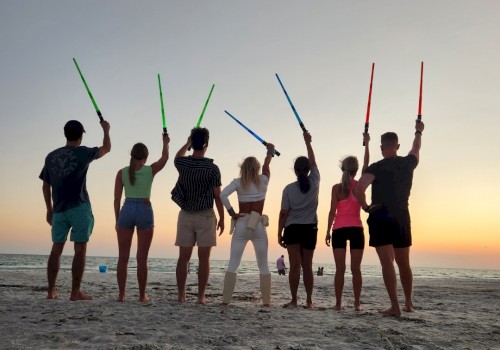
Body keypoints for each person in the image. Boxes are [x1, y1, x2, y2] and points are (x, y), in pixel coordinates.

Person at [354, 121, 425, 316]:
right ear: (397, 146)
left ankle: (395, 306)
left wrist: (366, 207)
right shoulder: (408, 163)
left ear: (381, 147)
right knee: (404, 263)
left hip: (381, 216)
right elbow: (416, 147)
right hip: (401, 215)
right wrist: (418, 131)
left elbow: (358, 189)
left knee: (387, 263)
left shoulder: (376, 167)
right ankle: (408, 304)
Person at [40, 119, 111, 300]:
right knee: (80, 248)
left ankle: (51, 291)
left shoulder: (51, 156)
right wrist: (106, 130)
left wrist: (49, 209)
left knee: (57, 247)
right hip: (79, 206)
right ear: (80, 136)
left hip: (59, 209)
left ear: (65, 134)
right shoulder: (83, 152)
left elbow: (45, 185)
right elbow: (106, 148)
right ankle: (74, 292)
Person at [114, 134, 170, 302]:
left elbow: (116, 199)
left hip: (127, 210)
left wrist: (118, 220)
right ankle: (141, 295)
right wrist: (165, 142)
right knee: (142, 258)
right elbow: (165, 158)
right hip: (145, 209)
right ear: (145, 158)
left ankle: (122, 295)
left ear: (131, 156)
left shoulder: (121, 173)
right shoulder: (149, 170)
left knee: (123, 257)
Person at [171, 127, 224, 304]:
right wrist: (222, 217)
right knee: (204, 259)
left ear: (193, 143)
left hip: (186, 214)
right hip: (205, 215)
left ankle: (181, 295)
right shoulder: (212, 168)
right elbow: (218, 195)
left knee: (183, 258)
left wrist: (187, 143)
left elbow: (177, 157)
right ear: (206, 144)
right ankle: (201, 296)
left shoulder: (184, 164)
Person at [220, 143, 276, 306]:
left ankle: (225, 301)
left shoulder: (238, 182)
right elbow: (267, 165)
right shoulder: (263, 180)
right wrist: (270, 152)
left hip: (242, 224)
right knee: (263, 265)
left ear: (243, 168)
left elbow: (223, 195)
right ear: (257, 168)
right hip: (257, 225)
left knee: (234, 263)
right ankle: (266, 302)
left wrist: (231, 213)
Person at [325, 133, 370, 311]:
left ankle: (338, 303)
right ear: (356, 170)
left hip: (339, 229)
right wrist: (367, 144)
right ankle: (357, 304)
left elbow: (331, 211)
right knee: (356, 269)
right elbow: (367, 165)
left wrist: (328, 231)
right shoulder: (360, 185)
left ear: (342, 168)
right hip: (356, 229)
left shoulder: (336, 188)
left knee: (340, 269)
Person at [278, 132, 319, 308]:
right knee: (307, 266)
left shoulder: (288, 189)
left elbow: (283, 213)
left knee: (295, 266)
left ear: (295, 170)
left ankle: (294, 300)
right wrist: (308, 142)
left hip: (293, 229)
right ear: (309, 169)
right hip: (310, 228)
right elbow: (314, 161)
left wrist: (279, 232)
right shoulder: (315, 180)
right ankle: (309, 301)